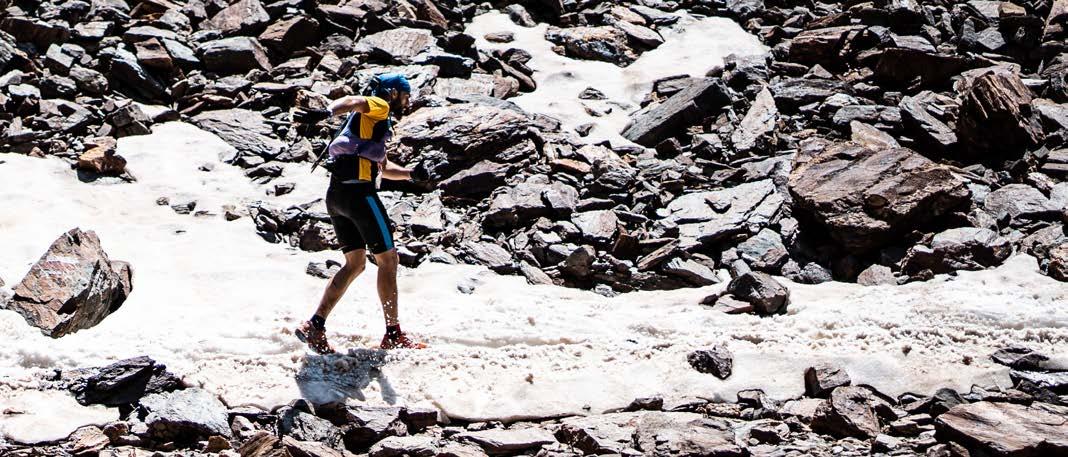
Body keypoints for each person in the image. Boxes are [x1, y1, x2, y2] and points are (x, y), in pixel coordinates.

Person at [291, 73, 430, 354]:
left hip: (336, 196)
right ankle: (393, 334)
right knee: (388, 259)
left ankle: (315, 325)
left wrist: (411, 175)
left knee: (355, 264)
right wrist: (326, 112)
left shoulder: (363, 125)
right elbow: (354, 100)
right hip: (359, 195)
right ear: (393, 93)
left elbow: (384, 167)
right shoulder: (380, 105)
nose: (406, 103)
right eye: (405, 96)